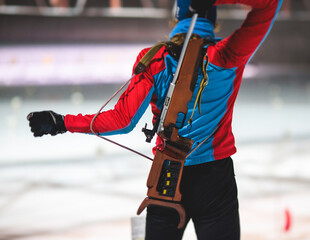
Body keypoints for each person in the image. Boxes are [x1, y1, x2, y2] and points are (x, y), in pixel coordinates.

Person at [27, 0, 282, 239]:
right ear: (213, 21)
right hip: (215, 179)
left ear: (176, 18)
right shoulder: (228, 55)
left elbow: (122, 121)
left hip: (166, 179)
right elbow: (271, 3)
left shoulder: (155, 59)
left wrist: (61, 122)